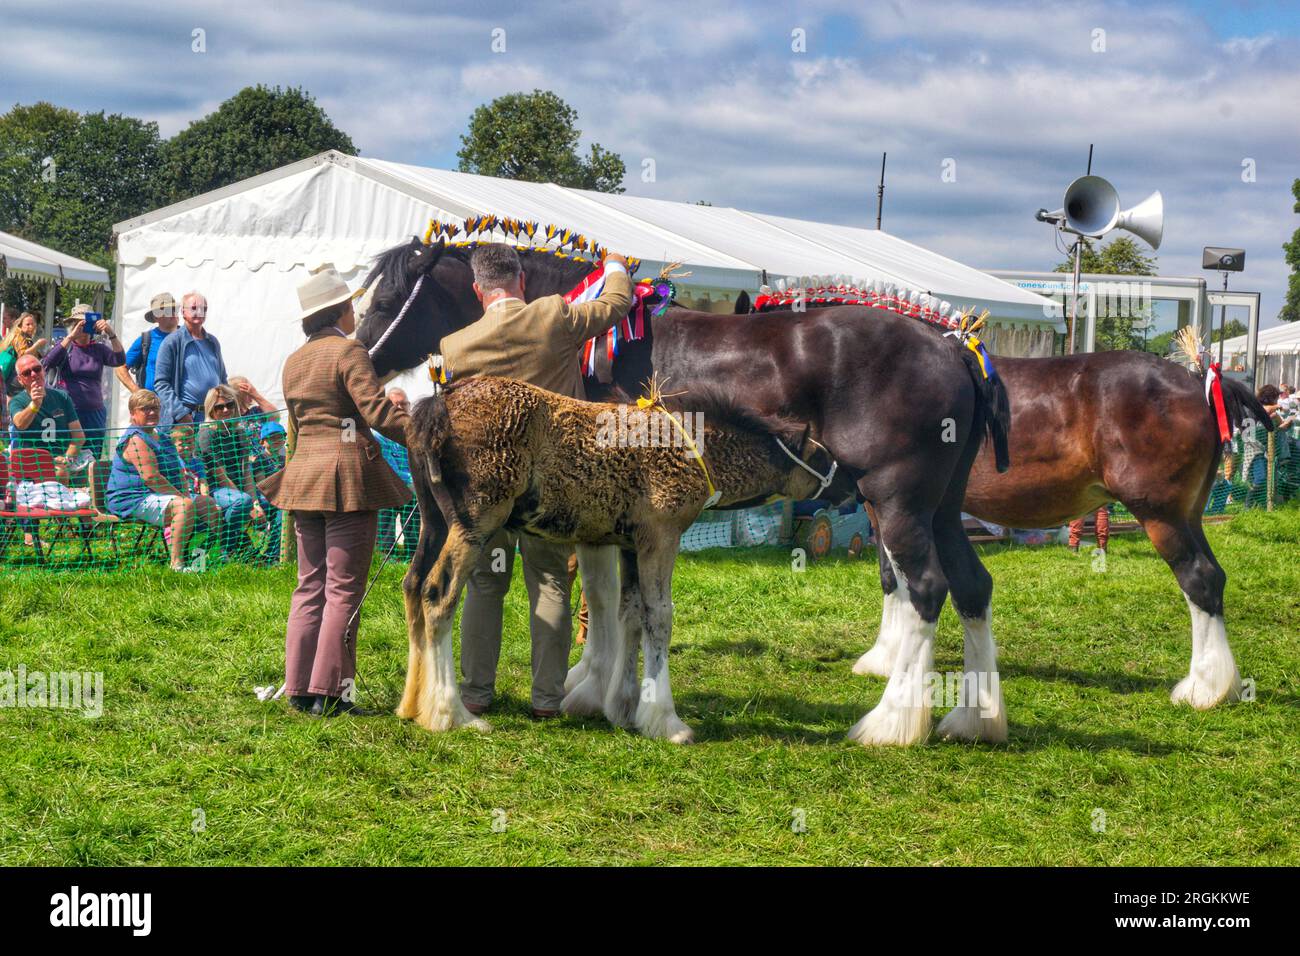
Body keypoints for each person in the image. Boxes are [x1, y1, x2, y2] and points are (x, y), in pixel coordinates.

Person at [439, 243, 632, 718]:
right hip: (554, 485)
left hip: (491, 485)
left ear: (477, 289)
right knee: (549, 581)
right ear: (521, 280)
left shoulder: (455, 346)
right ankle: (547, 698)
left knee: (487, 581)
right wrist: (615, 265)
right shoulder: (553, 315)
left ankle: (476, 693)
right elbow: (616, 305)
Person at [257, 267, 412, 717]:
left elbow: (298, 426)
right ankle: (332, 694)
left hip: (303, 478)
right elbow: (379, 413)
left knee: (310, 587)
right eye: (350, 307)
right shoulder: (350, 352)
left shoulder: (293, 361)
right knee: (344, 589)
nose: (355, 313)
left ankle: (300, 689)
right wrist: (429, 434)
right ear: (339, 311)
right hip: (345, 480)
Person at [107, 389, 222, 572]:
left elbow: (178, 472)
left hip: (159, 496)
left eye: (155, 408)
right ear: (132, 414)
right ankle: (177, 565)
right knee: (184, 506)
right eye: (145, 409)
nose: (152, 412)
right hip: (131, 499)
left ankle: (199, 560)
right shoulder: (135, 439)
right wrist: (183, 498)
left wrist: (186, 494)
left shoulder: (164, 438)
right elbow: (151, 478)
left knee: (207, 504)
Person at [40, 304, 125, 458]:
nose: (84, 327)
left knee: (93, 457)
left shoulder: (98, 348)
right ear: (73, 325)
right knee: (68, 457)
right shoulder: (66, 346)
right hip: (69, 412)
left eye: (88, 323)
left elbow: (119, 360)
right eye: (79, 323)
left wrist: (111, 334)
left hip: (95, 413)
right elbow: (47, 363)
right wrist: (71, 337)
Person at [196, 383, 264, 560]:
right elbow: (220, 475)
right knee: (242, 502)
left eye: (230, 405)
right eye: (220, 407)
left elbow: (246, 471)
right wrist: (248, 501)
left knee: (273, 505)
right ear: (211, 410)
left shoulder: (239, 433)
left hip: (239, 490)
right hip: (215, 490)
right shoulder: (206, 434)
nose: (226, 410)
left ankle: (271, 556)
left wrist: (256, 503)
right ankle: (229, 552)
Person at [7, 353, 91, 484]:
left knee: (78, 470)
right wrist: (35, 405)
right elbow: (20, 424)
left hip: (61, 459)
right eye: (27, 373)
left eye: (37, 369)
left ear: (43, 370)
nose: (34, 374)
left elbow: (79, 437)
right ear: (20, 380)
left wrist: (67, 458)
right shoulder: (17, 401)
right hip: (31, 462)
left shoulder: (62, 397)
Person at [152, 291, 227, 426]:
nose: (198, 312)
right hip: (187, 416)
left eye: (203, 308)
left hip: (213, 415)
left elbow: (222, 379)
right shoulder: (172, 342)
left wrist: (226, 406)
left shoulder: (213, 342)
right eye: (193, 308)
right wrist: (181, 414)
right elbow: (161, 383)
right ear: (183, 312)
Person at [374, 388, 420, 559]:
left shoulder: (416, 432)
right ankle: (386, 560)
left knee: (413, 530)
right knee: (385, 530)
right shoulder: (378, 433)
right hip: (387, 488)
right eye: (396, 404)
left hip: (412, 490)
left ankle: (413, 558)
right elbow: (388, 466)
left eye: (404, 404)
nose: (401, 407)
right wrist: (414, 481)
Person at [116, 293, 178, 394]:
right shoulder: (146, 339)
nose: (172, 313)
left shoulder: (187, 338)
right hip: (153, 406)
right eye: (167, 310)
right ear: (156, 316)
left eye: (174, 309)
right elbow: (120, 367)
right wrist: (137, 392)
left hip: (180, 407)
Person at [251, 420, 287, 564]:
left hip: (282, 496)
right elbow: (262, 484)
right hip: (265, 498)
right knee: (281, 514)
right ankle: (273, 555)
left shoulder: (285, 459)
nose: (277, 440)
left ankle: (278, 551)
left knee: (283, 513)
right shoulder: (261, 459)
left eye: (280, 436)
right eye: (272, 437)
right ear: (262, 442)